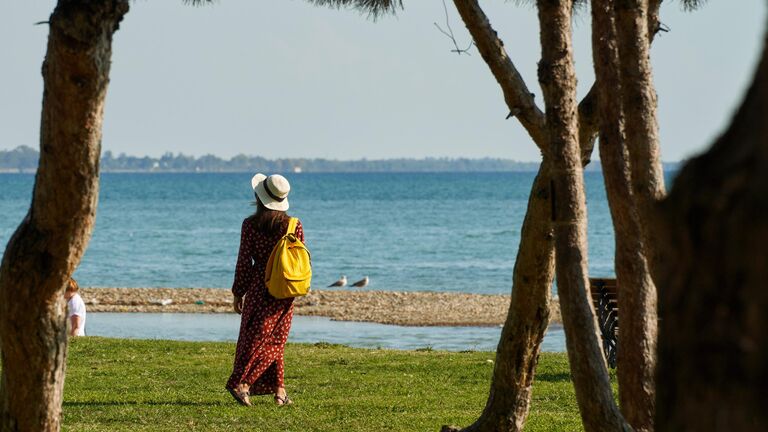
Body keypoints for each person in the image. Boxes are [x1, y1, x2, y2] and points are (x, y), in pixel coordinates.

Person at [226, 173, 303, 407]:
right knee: (276, 340)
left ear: (259, 198)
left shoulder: (249, 225)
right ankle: (256, 386)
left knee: (257, 339)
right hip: (284, 287)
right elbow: (299, 259)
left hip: (260, 287)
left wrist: (238, 292)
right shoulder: (293, 225)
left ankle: (263, 387)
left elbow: (244, 262)